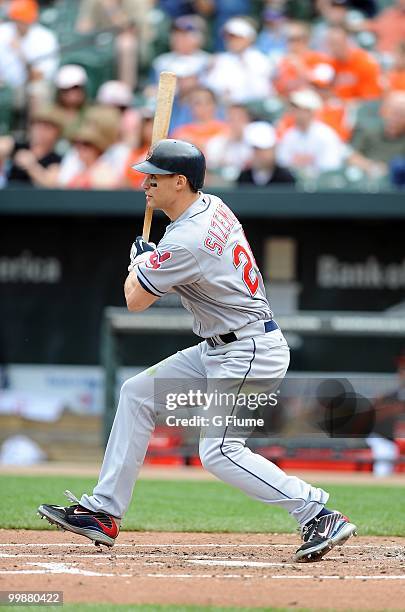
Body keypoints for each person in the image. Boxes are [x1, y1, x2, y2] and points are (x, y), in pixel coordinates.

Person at [38, 138, 357, 564]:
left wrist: (140, 263)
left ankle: (317, 512)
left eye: (156, 176)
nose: (146, 183)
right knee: (137, 393)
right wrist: (155, 259)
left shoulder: (189, 238)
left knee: (220, 451)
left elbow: (135, 300)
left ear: (181, 181)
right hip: (224, 345)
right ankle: (104, 513)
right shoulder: (210, 205)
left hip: (248, 350)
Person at [76, 0, 155, 91]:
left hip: (136, 47)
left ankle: (126, 93)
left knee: (126, 44)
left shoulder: (136, 2)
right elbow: (83, 28)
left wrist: (111, 8)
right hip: (102, 43)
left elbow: (130, 30)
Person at [0, 0, 59, 111]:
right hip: (5, 84)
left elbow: (40, 76)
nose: (20, 24)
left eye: (24, 20)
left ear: (33, 19)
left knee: (38, 90)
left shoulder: (45, 37)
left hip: (29, 86)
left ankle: (35, 127)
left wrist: (20, 53)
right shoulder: (3, 32)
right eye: (17, 20)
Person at [277, 89, 348, 175]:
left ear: (310, 112)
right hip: (294, 184)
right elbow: (282, 163)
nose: (295, 112)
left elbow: (330, 167)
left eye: (299, 109)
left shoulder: (325, 134)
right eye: (294, 108)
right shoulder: (290, 135)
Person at [203, 16, 273, 103]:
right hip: (224, 109)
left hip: (253, 109)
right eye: (229, 38)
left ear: (249, 38)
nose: (232, 41)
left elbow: (262, 91)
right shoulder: (219, 59)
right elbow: (209, 85)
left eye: (236, 37)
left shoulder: (261, 60)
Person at [0, 106, 63, 187]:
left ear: (56, 133)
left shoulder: (56, 159)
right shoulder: (17, 146)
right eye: (37, 125)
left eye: (47, 127)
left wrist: (31, 166)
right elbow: (4, 145)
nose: (40, 131)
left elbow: (50, 183)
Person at [349, 91, 405, 175]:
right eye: (392, 112)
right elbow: (352, 156)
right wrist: (371, 166)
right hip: (368, 180)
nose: (395, 118)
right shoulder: (369, 130)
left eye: (401, 114)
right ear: (383, 112)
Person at [325, 25, 382, 101]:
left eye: (336, 43)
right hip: (337, 106)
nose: (334, 47)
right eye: (330, 44)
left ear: (347, 41)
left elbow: (370, 97)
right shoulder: (330, 64)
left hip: (359, 107)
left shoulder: (364, 62)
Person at [272, 21, 329, 97]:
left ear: (306, 40)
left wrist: (300, 66)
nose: (291, 44)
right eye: (288, 39)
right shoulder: (283, 60)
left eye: (295, 39)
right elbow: (279, 87)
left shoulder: (318, 59)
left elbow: (322, 85)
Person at [151, 14, 210, 84]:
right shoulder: (161, 61)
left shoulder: (208, 61)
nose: (179, 38)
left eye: (185, 34)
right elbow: (153, 87)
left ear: (198, 38)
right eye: (176, 34)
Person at [170, 86, 228, 152]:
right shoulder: (179, 133)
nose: (203, 107)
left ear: (214, 105)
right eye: (198, 103)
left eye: (208, 102)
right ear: (190, 106)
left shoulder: (226, 131)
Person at [237, 121, 296, 186]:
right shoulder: (243, 178)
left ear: (273, 149)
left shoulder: (285, 178)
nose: (259, 155)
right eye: (255, 149)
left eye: (263, 150)